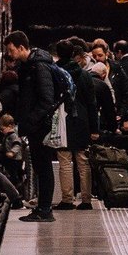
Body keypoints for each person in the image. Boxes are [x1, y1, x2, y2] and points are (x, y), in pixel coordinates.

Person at [4, 31, 57, 223]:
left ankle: (45, 210)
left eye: (11, 50)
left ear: (21, 47)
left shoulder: (39, 66)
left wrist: (30, 121)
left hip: (40, 126)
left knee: (44, 168)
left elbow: (46, 99)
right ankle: (42, 208)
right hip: (35, 126)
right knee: (41, 168)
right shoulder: (29, 66)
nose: (10, 54)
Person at [54, 41, 99, 210]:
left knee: (65, 161)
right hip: (82, 121)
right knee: (83, 161)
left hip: (61, 121)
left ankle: (67, 199)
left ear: (58, 54)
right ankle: (86, 200)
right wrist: (94, 128)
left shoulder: (54, 72)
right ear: (74, 53)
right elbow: (91, 103)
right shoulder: (85, 75)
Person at [92, 41, 128, 132]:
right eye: (94, 56)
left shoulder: (117, 69)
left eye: (100, 55)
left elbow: (127, 92)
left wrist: (121, 113)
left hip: (115, 115)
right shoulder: (90, 71)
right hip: (98, 117)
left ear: (106, 54)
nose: (97, 58)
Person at [87, 61, 117, 138]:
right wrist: (113, 128)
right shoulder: (103, 86)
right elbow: (109, 109)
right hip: (94, 119)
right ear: (104, 74)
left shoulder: (84, 81)